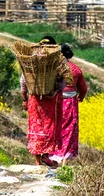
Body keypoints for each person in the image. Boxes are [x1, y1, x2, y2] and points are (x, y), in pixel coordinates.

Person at [21, 36, 73, 167]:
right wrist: (57, 90)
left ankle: (38, 160)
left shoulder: (32, 60)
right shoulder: (58, 60)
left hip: (35, 100)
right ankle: (45, 156)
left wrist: (24, 99)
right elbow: (66, 78)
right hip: (51, 101)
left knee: (36, 127)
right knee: (49, 128)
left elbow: (23, 80)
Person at [51, 43, 87, 166]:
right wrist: (80, 97)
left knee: (56, 128)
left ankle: (53, 156)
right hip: (70, 102)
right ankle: (64, 158)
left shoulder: (52, 68)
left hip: (54, 101)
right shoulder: (75, 69)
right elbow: (83, 88)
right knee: (69, 129)